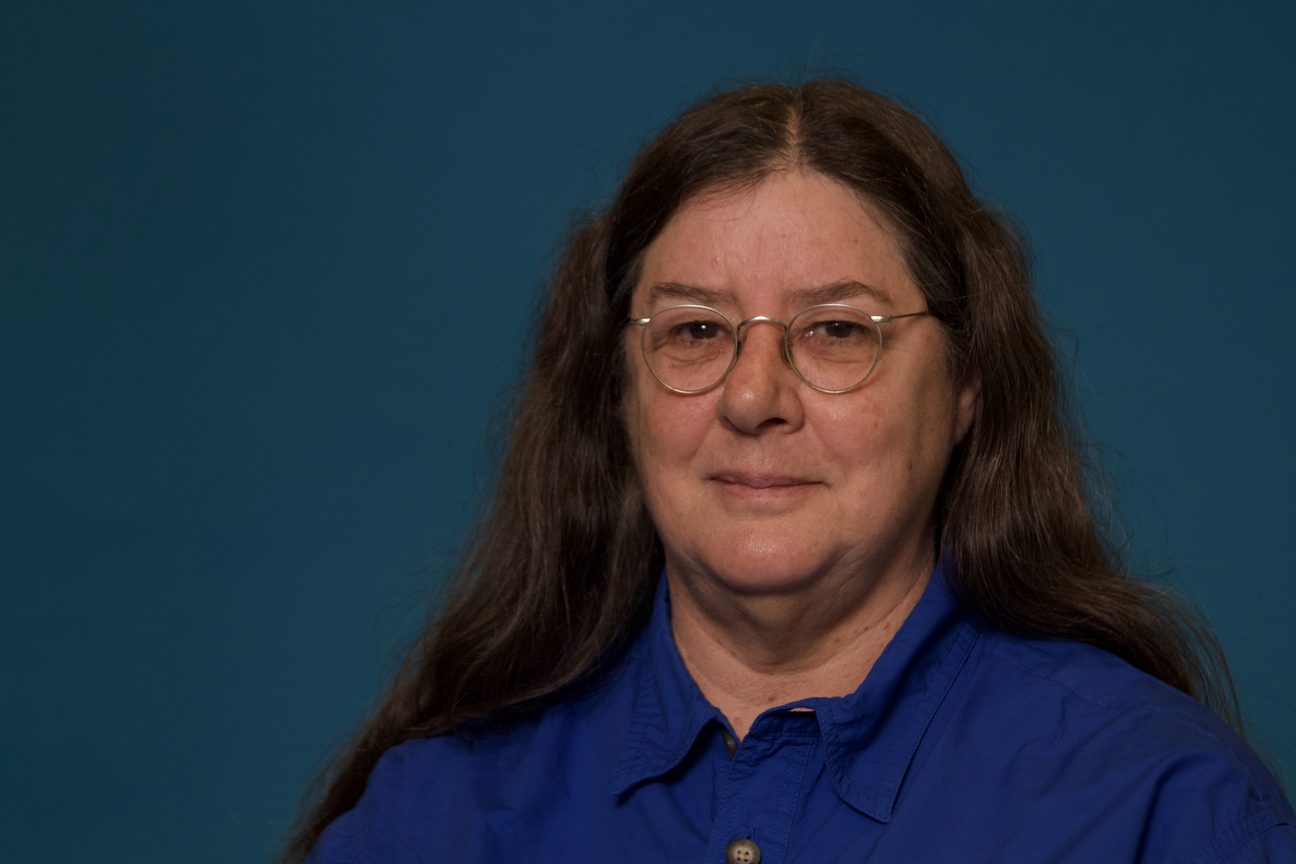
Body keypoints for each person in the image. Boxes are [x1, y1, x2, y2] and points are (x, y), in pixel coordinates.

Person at [287, 79, 1295, 862]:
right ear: (617, 391)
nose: (753, 395)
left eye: (834, 331)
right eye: (694, 331)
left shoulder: (1158, 807)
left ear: (965, 389)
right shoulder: (437, 818)